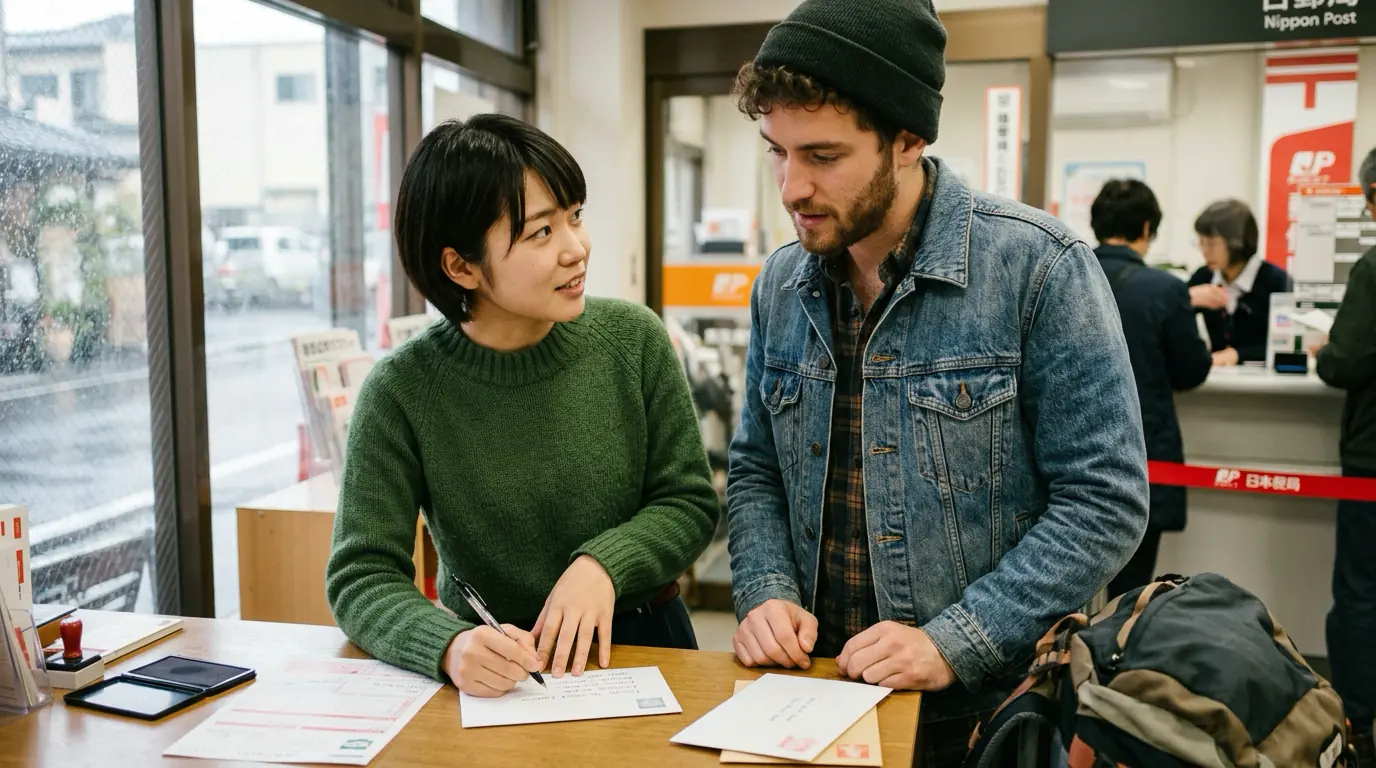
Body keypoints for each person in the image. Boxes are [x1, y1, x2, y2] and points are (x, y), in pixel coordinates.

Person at [722, 1, 1150, 764]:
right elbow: (755, 469)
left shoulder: (1038, 267)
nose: (791, 188)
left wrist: (955, 640)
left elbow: (1105, 499)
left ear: (908, 140)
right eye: (776, 153)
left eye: (822, 156)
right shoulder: (781, 283)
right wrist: (763, 589)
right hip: (807, 696)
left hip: (986, 715)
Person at [325, 114, 718, 699]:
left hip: (643, 648)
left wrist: (604, 567)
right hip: (496, 676)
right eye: (541, 232)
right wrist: (447, 645)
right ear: (460, 266)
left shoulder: (633, 340)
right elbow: (361, 575)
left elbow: (688, 501)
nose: (576, 248)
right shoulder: (402, 391)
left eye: (575, 217)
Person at [1090, 180, 1212, 597]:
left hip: (1060, 457)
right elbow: (1190, 371)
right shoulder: (1165, 289)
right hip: (1141, 454)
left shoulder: (1060, 275)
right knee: (1131, 589)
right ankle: (1117, 658)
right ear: (1146, 227)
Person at [1314, 148, 1376, 766]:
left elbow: (1347, 362)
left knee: (1360, 591)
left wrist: (1325, 351)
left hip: (1372, 458)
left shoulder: (1374, 267)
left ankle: (1358, 719)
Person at [1187, 200, 1293, 366]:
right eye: (1201, 242)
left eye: (1212, 243)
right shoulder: (1203, 277)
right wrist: (1187, 299)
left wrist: (1237, 355)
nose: (1205, 251)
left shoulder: (1277, 282)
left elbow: (1287, 343)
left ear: (1237, 243)